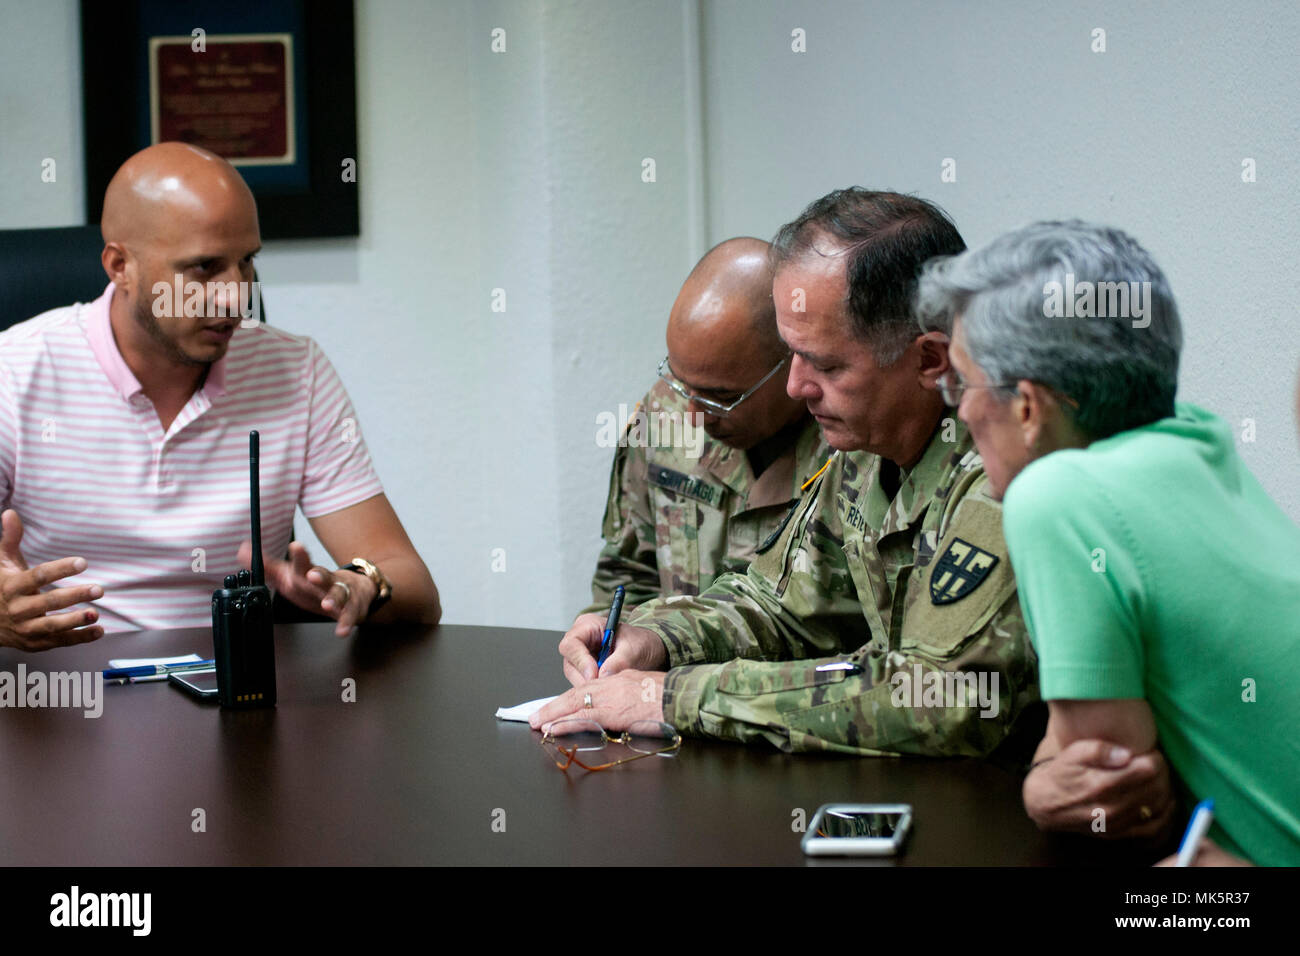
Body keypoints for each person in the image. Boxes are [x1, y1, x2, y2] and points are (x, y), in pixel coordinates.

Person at [534, 188, 1043, 760]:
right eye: (792, 354)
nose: (797, 387)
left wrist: (672, 697)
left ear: (928, 359)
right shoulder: (866, 445)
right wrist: (655, 639)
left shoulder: (1005, 466)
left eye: (825, 364)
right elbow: (781, 604)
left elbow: (941, 698)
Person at [916, 220, 1299, 865]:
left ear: (1028, 408)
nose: (957, 409)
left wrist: (1043, 787)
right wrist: (1051, 773)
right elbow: (1088, 762)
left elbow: (1116, 799)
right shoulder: (1198, 438)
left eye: (961, 381)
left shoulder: (1059, 495)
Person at [0, 142, 440, 649]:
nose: (237, 295)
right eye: (205, 268)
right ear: (120, 265)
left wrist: (360, 585)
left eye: (247, 261)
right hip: (71, 695)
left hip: (237, 696)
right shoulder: (15, 373)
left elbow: (417, 591)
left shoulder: (296, 370)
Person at [579, 237, 827, 620]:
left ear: (793, 363)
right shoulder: (664, 415)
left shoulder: (855, 446)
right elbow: (628, 576)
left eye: (720, 397)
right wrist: (606, 650)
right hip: (662, 675)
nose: (694, 415)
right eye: (681, 384)